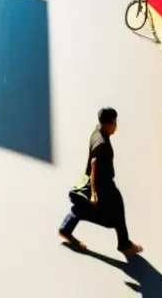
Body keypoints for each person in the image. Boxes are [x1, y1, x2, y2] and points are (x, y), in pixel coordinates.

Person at [58, 108, 142, 255]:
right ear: (108, 124)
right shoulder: (102, 144)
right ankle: (124, 244)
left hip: (101, 183)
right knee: (116, 212)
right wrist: (94, 194)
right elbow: (94, 165)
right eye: (114, 123)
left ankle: (65, 229)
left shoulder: (97, 132)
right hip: (103, 185)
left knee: (87, 209)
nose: (116, 126)